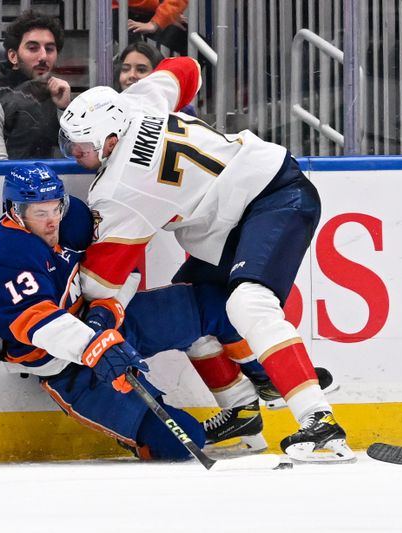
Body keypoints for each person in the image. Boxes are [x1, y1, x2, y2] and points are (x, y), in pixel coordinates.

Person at [58, 56, 355, 463]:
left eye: (83, 146)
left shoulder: (120, 188)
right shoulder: (138, 101)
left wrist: (76, 306)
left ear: (112, 139)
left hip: (273, 199)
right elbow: (187, 68)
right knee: (189, 305)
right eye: (68, 142)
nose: (74, 153)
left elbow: (100, 284)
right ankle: (242, 410)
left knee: (249, 302)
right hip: (236, 212)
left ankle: (320, 425)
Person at [0, 162, 273, 460]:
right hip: (66, 366)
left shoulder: (74, 217)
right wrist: (94, 346)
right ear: (16, 212)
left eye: (55, 208)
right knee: (183, 441)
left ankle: (258, 388)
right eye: (40, 213)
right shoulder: (8, 249)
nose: (52, 221)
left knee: (215, 305)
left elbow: (125, 266)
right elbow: (34, 319)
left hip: (110, 324)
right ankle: (136, 437)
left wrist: (106, 310)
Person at [0, 10, 71, 160]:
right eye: (33, 48)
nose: (43, 56)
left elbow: (78, 160)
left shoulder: (56, 96)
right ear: (13, 56)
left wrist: (64, 110)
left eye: (50, 49)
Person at [112, 0, 189, 56]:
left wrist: (167, 15)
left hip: (149, 8)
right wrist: (163, 15)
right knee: (140, 53)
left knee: (193, 46)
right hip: (116, 8)